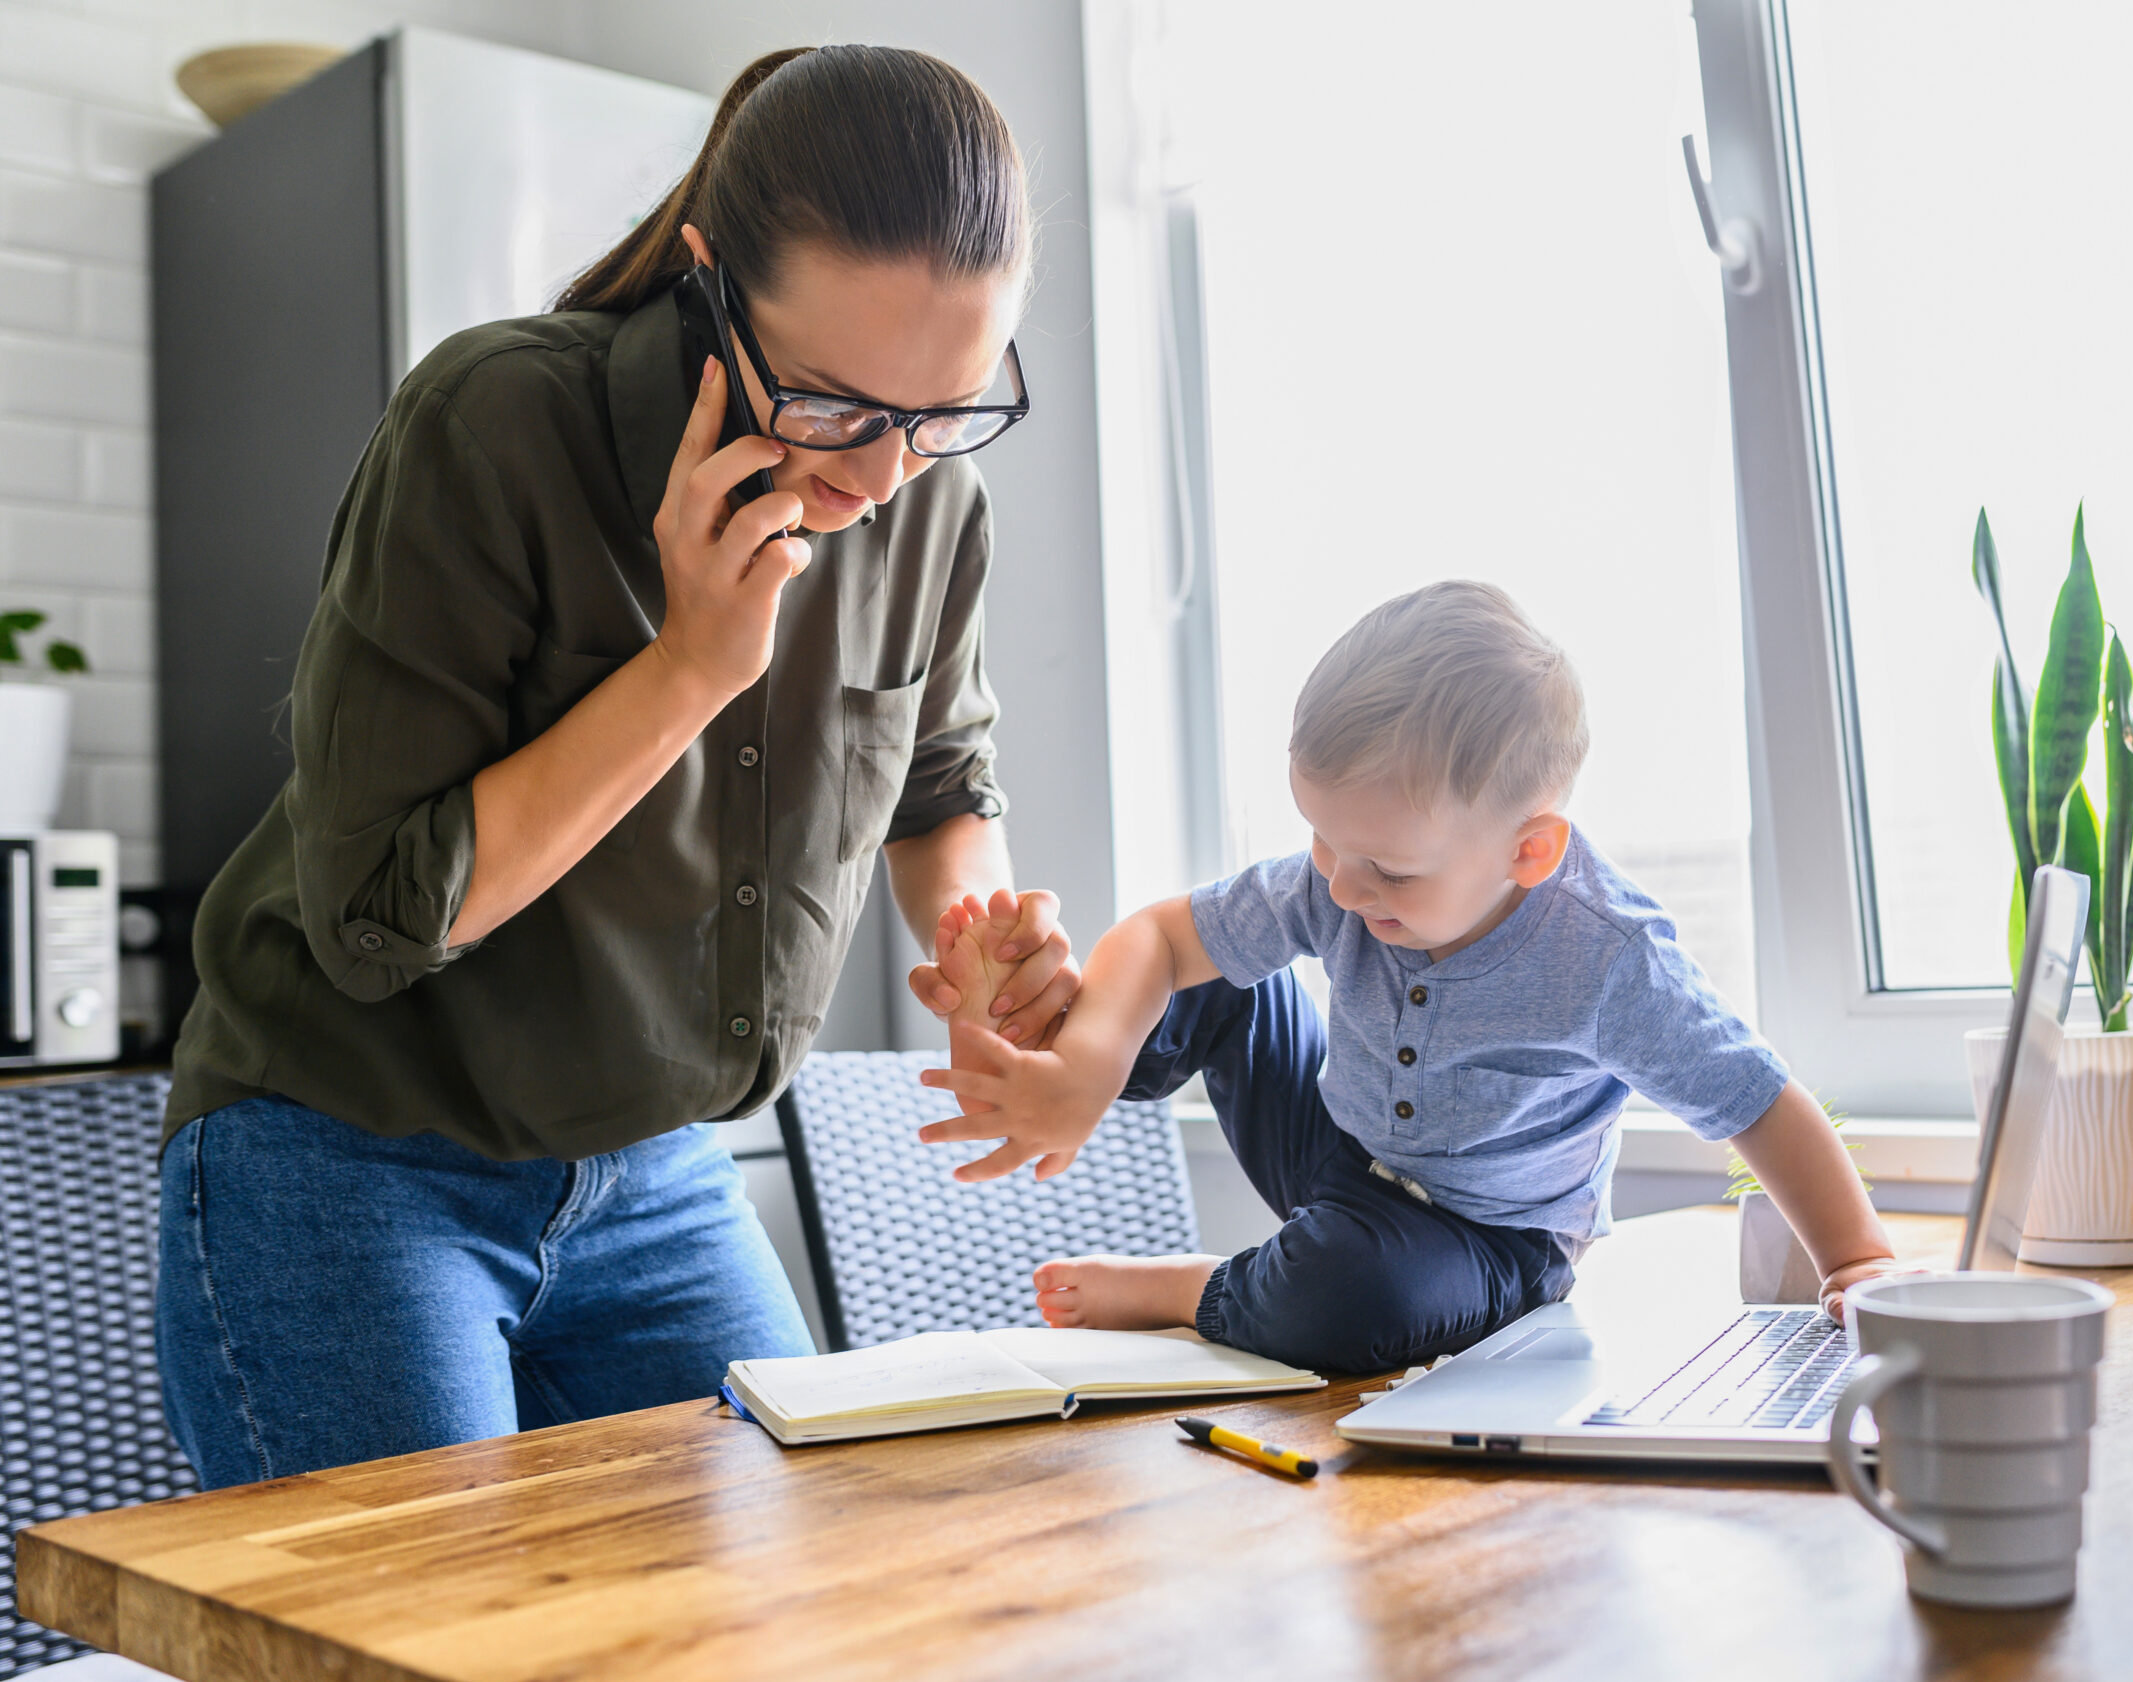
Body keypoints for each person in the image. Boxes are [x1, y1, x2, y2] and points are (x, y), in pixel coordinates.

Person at [156, 45, 1079, 1489]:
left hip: (653, 1170)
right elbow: (381, 915)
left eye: (946, 410)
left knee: (777, 1617)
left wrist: (979, 942)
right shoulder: (497, 423)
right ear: (710, 278)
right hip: (350, 1152)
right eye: (835, 404)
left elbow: (939, 779)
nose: (882, 478)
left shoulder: (928, 504)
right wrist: (689, 671)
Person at [918, 582, 1901, 1373]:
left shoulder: (1606, 957)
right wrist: (1090, 1057)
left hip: (1487, 1242)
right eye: (1321, 841)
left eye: (1388, 870)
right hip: (1340, 1157)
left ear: (1529, 849)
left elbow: (1756, 1100)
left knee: (1351, 1296)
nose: (1340, 885)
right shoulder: (1345, 872)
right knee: (1219, 968)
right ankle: (1053, 1063)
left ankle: (1198, 1286)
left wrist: (1854, 1259)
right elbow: (1162, 937)